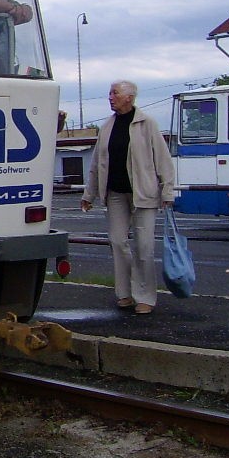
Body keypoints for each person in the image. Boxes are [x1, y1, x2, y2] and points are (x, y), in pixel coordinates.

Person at [80, 80, 175, 315]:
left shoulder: (147, 124)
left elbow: (163, 160)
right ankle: (124, 293)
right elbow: (97, 164)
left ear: (129, 97)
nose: (110, 97)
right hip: (115, 193)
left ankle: (145, 296)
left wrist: (167, 190)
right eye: (109, 93)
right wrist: (88, 194)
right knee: (117, 241)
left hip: (144, 194)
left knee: (144, 246)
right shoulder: (107, 127)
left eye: (115, 93)